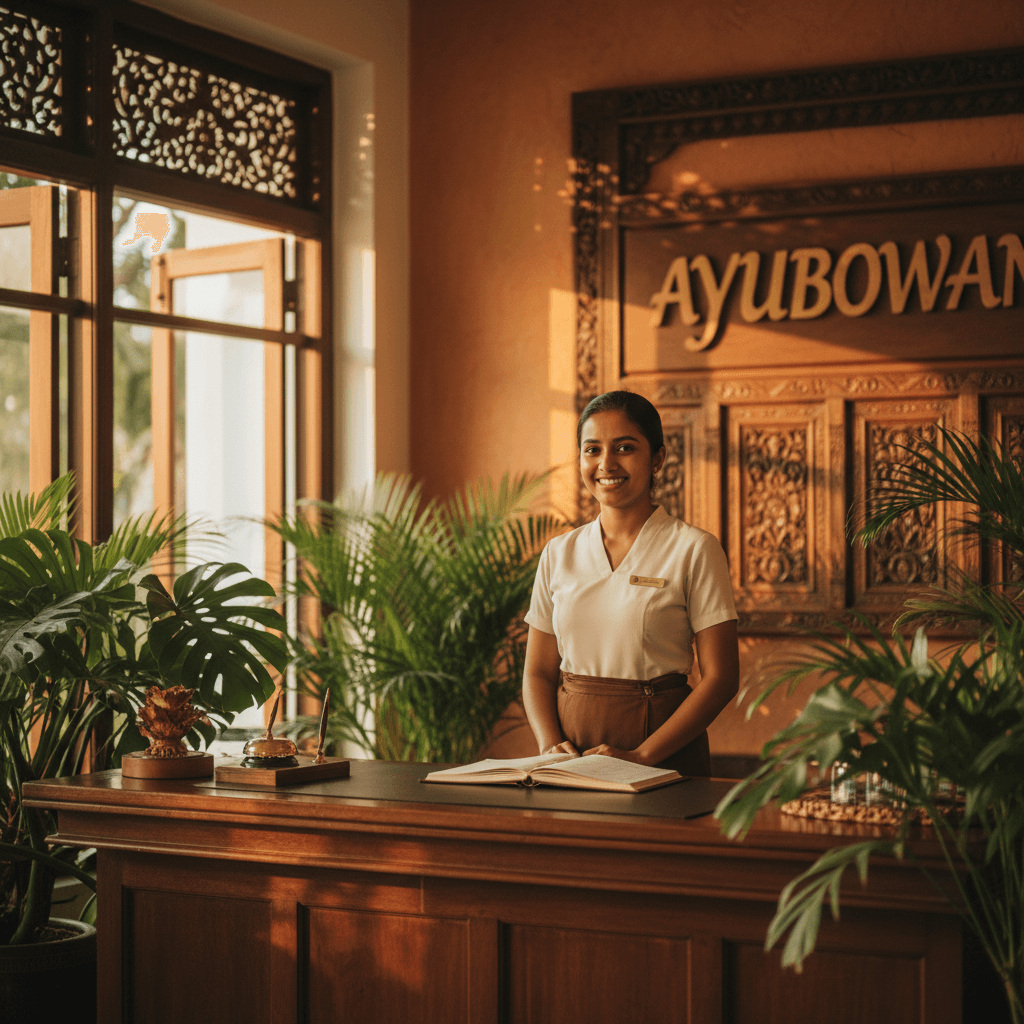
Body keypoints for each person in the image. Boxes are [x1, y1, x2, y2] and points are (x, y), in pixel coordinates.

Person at [522, 390, 739, 776]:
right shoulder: (559, 553)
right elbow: (538, 672)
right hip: (571, 756)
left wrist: (642, 757)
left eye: (624, 448)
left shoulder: (694, 549)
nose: (606, 464)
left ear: (657, 458)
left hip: (662, 751)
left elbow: (721, 678)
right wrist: (549, 746)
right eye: (592, 450)